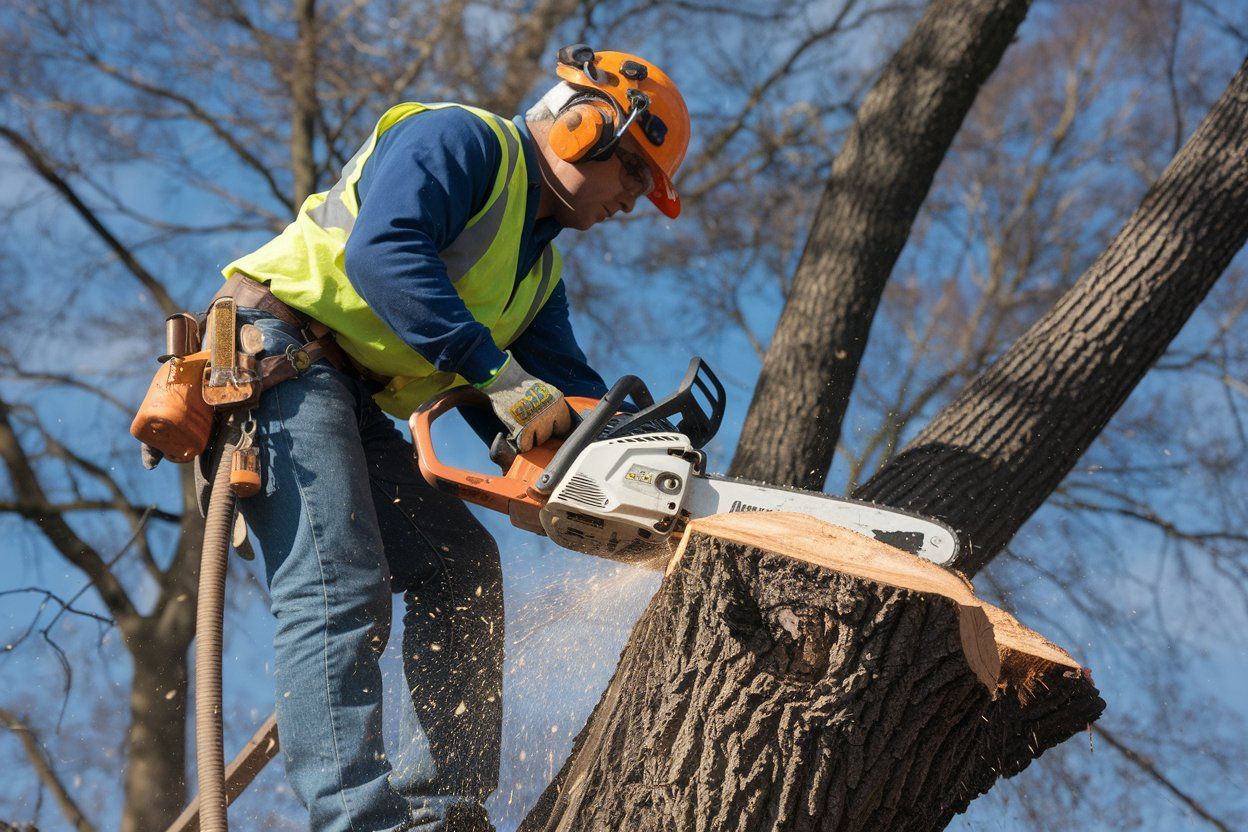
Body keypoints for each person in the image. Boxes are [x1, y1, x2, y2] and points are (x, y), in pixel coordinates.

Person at [214, 45, 690, 831]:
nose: (634, 200)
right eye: (635, 172)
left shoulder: (537, 279)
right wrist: (496, 377)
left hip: (348, 397)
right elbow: (384, 251)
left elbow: (566, 396)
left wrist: (633, 463)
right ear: (584, 127)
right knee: (341, 577)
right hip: (272, 355)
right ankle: (358, 818)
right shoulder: (465, 141)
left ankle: (444, 809)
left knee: (461, 568)